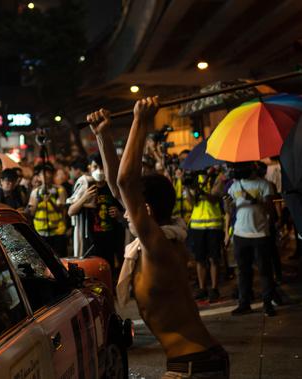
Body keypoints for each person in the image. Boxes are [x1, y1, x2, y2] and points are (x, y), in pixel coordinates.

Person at [90, 97, 228, 379]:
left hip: (193, 366)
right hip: (198, 360)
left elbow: (126, 183)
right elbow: (120, 188)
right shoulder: (163, 236)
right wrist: (103, 135)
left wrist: (141, 120)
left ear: (147, 210)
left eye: (131, 207)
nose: (124, 211)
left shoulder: (159, 247)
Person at [227, 161, 277, 316]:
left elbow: (272, 211)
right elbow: (230, 210)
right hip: (240, 234)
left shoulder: (264, 185)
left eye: (242, 168)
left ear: (252, 168)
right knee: (243, 271)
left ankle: (267, 303)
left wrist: (258, 201)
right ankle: (244, 303)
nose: (239, 171)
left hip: (260, 234)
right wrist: (227, 204)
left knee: (264, 270)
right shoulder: (235, 186)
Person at [187, 167, 225, 302]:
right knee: (199, 259)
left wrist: (201, 190)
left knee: (214, 258)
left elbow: (214, 199)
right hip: (197, 226)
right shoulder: (195, 179)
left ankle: (214, 289)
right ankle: (202, 288)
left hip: (213, 225)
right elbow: (192, 203)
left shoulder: (218, 178)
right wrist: (188, 188)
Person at [28, 163, 68, 257]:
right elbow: (31, 212)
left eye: (48, 173)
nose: (46, 176)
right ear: (39, 177)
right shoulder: (35, 192)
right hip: (41, 232)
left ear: (52, 175)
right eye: (43, 174)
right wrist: (38, 200)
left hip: (58, 232)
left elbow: (61, 210)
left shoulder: (60, 190)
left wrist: (50, 200)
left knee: (60, 258)